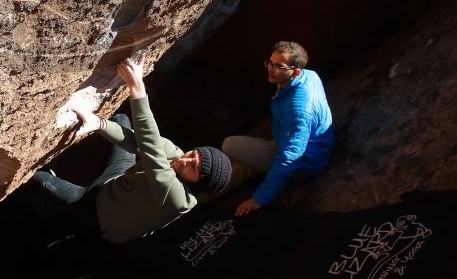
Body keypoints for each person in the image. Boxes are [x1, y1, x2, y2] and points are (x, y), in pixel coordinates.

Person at [32, 54, 233, 244]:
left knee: (39, 179)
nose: (186, 159)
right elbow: (141, 142)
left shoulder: (178, 200)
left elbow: (152, 148)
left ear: (198, 184)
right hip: (113, 183)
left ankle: (51, 207)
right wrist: (99, 124)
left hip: (96, 216)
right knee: (121, 120)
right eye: (193, 154)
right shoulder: (179, 157)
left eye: (194, 168)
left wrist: (138, 90)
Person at [229, 41, 334, 216]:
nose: (271, 69)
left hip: (304, 165)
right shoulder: (309, 76)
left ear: (296, 71)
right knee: (242, 165)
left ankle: (198, 195)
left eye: (279, 66)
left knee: (231, 145)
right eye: (270, 62)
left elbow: (290, 157)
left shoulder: (299, 110)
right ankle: (203, 190)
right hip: (308, 149)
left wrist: (258, 199)